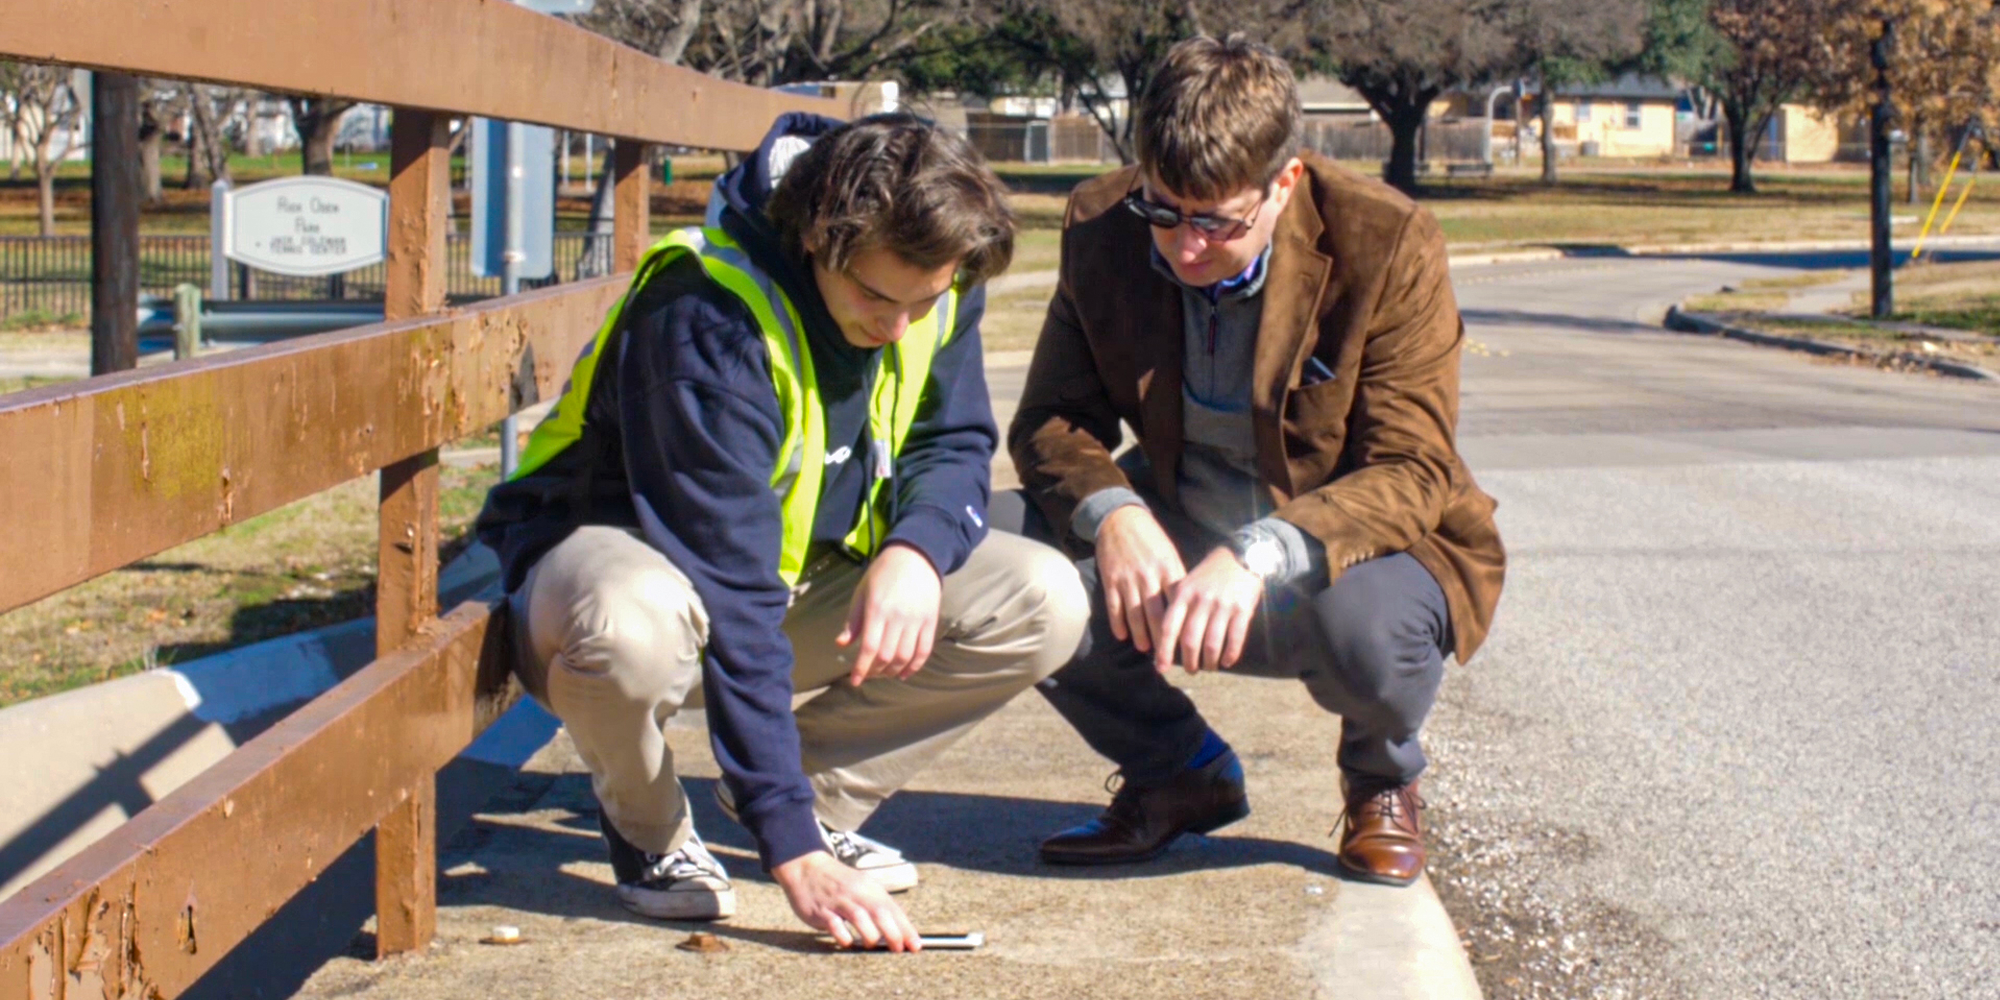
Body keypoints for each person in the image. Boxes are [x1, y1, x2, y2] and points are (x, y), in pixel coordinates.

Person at [476, 113, 1088, 950]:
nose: (899, 327)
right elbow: (735, 594)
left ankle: (812, 790)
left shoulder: (941, 269)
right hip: (608, 589)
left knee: (1042, 597)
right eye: (876, 297)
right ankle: (651, 831)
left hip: (785, 577)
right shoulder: (708, 317)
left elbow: (952, 443)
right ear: (814, 238)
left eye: (925, 300)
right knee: (631, 622)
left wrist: (915, 551)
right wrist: (790, 852)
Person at [996, 35, 1506, 887]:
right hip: (1180, 518)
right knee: (994, 557)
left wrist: (1261, 551)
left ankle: (1380, 778)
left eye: (1216, 222)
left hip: (1356, 549)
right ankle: (1177, 771)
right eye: (1164, 211)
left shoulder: (1387, 239)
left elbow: (1411, 467)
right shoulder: (1102, 225)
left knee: (1366, 634)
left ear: (1285, 182)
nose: (1184, 248)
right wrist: (1115, 515)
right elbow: (1052, 419)